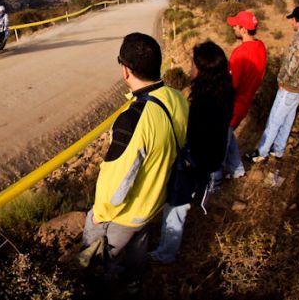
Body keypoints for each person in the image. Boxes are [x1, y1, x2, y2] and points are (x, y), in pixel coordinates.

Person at [82, 33, 188, 292]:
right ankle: (133, 282)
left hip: (125, 214)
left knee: (98, 261)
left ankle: (97, 289)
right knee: (140, 243)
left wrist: (99, 216)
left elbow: (118, 180)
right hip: (154, 201)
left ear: (125, 70)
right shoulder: (177, 98)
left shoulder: (132, 120)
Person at [148, 41, 233, 264]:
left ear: (202, 69)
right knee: (180, 204)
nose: (190, 68)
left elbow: (194, 137)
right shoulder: (224, 91)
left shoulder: (204, 102)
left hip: (193, 162)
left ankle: (165, 254)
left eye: (193, 64)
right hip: (209, 160)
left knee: (176, 206)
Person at [247, 6, 299, 163]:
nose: (291, 22)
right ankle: (278, 150)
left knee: (275, 119)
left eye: (292, 19)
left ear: (297, 21)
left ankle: (261, 152)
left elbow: (293, 63)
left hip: (289, 86)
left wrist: (282, 80)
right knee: (287, 120)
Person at [217, 11, 267, 179]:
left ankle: (213, 183)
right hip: (246, 101)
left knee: (220, 145)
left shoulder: (240, 53)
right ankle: (237, 170)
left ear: (244, 30)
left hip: (233, 105)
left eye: (236, 26)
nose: (233, 28)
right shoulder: (260, 47)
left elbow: (231, 85)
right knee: (228, 135)